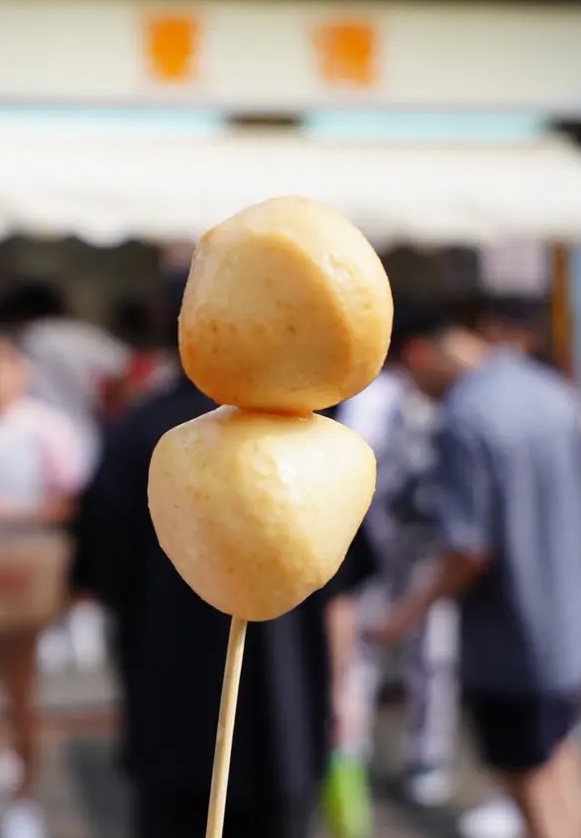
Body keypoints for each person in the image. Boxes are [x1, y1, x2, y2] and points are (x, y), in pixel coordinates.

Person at [71, 277, 373, 838]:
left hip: (167, 709)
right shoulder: (316, 443)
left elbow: (99, 573)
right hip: (287, 718)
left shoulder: (136, 432)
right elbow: (341, 592)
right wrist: (340, 690)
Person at [371, 309, 581, 838]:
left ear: (422, 356)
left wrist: (406, 614)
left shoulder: (465, 417)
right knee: (556, 764)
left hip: (513, 640)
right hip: (565, 628)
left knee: (528, 782)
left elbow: (469, 549)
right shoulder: (548, 390)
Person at [0, 332, 86, 838]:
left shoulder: (44, 428)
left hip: (22, 578)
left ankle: (25, 796)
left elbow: (70, 500)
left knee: (22, 692)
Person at [0, 279, 131, 476]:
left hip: (47, 439)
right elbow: (125, 371)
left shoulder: (31, 338)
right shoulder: (83, 334)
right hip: (89, 435)